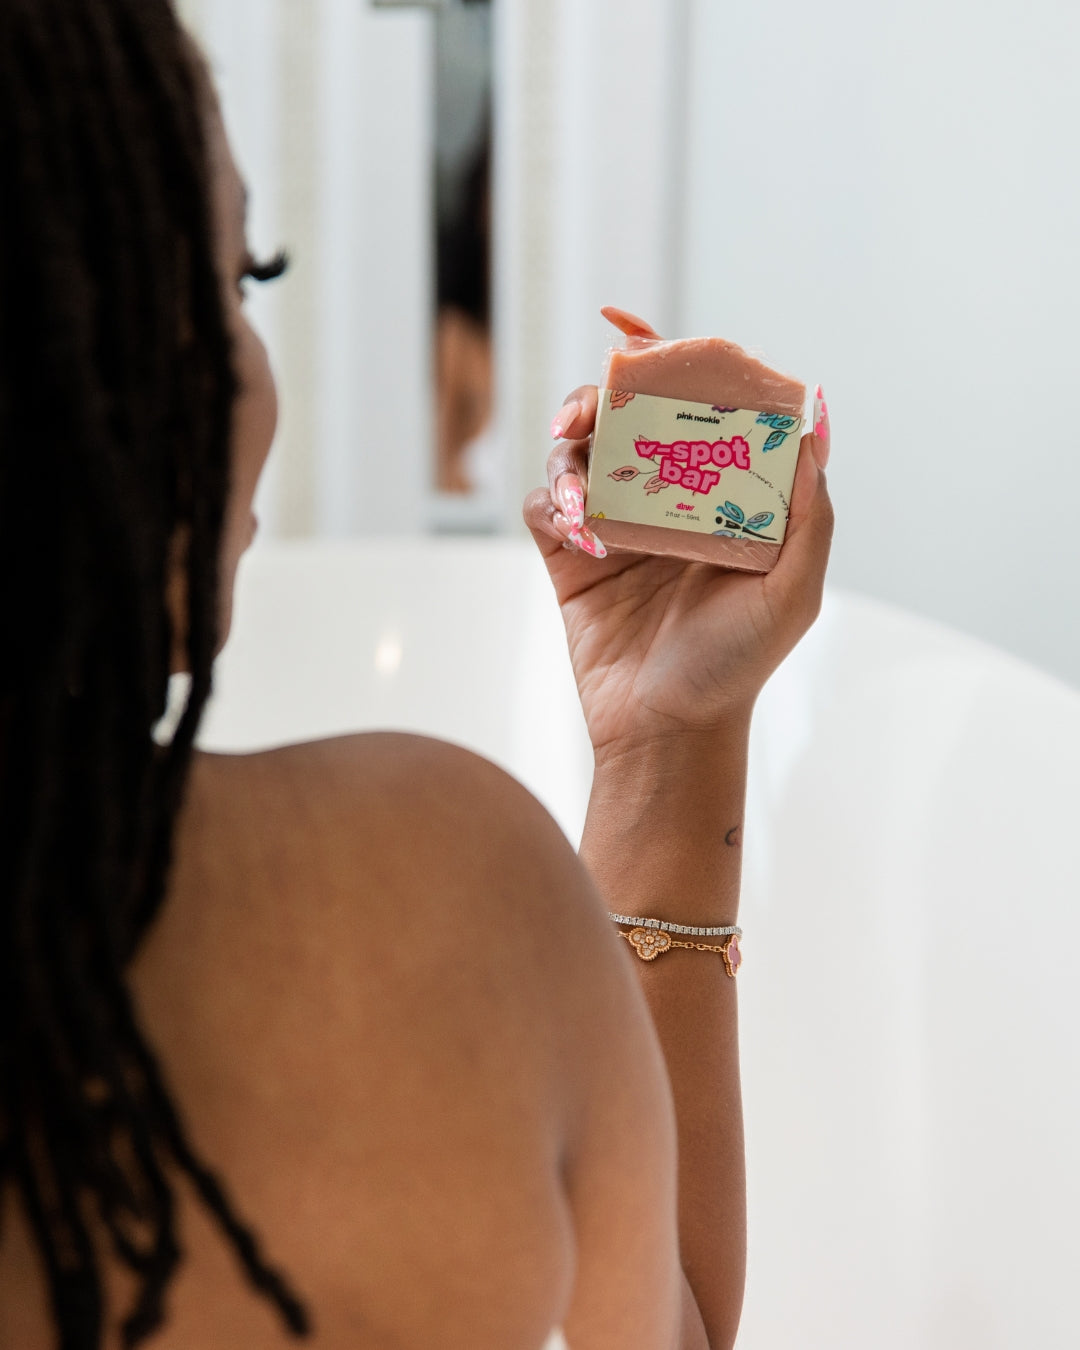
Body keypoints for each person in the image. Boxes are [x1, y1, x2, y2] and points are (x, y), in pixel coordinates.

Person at [0, 2, 834, 1348]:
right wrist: (675, 749)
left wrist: (661, 727)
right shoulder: (437, 896)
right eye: (232, 285)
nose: (257, 378)